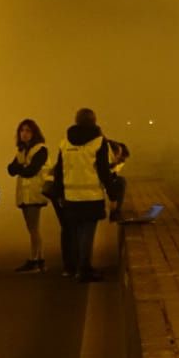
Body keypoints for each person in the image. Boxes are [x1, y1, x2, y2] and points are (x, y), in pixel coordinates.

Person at [51, 108, 114, 282]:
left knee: (76, 233)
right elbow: (103, 171)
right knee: (87, 233)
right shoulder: (99, 142)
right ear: (94, 121)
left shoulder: (65, 142)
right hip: (91, 196)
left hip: (71, 196)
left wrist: (58, 192)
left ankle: (76, 266)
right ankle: (84, 269)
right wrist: (112, 192)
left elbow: (59, 170)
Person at [6, 118, 50, 273]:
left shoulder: (40, 149)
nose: (24, 134)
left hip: (34, 192)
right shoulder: (22, 150)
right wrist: (20, 167)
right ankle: (39, 259)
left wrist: (20, 167)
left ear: (34, 133)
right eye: (22, 130)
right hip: (25, 193)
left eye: (28, 130)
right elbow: (11, 169)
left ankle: (35, 260)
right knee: (32, 228)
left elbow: (31, 170)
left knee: (33, 228)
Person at [105, 136, 130, 222]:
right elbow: (106, 175)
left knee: (120, 181)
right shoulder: (106, 154)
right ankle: (115, 212)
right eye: (119, 158)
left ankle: (116, 212)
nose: (120, 161)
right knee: (121, 182)